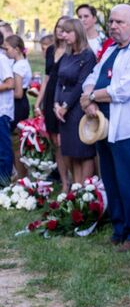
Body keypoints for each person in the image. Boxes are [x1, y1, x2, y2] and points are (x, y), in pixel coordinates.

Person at [81, 4, 130, 251]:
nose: (114, 26)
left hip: (127, 128)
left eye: (120, 22)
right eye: (112, 21)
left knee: (129, 181)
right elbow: (92, 77)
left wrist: (91, 98)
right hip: (103, 125)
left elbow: (122, 91)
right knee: (111, 180)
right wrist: (88, 98)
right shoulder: (111, 50)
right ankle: (119, 228)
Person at [53, 19, 98, 185]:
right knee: (71, 151)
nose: (63, 35)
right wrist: (56, 104)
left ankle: (84, 189)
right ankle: (76, 186)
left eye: (67, 31)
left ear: (77, 32)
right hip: (63, 108)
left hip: (77, 108)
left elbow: (81, 84)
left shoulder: (88, 56)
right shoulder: (67, 54)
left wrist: (65, 106)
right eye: (62, 31)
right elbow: (59, 80)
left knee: (83, 151)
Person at [38, 17, 72, 189]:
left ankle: (74, 178)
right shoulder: (51, 49)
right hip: (50, 96)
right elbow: (46, 78)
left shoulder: (72, 50)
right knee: (54, 142)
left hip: (65, 98)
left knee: (65, 140)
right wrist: (38, 102)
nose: (60, 31)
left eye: (65, 28)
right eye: (58, 27)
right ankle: (64, 182)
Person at [3, 35, 31, 178]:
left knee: (14, 143)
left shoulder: (19, 66)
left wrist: (5, 94)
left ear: (17, 49)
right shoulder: (21, 62)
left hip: (18, 104)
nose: (5, 51)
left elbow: (18, 92)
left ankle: (20, 175)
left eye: (7, 49)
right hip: (21, 103)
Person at [0, 46, 12, 184]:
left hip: (2, 111)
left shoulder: (2, 59)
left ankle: (4, 183)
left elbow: (10, 83)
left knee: (3, 150)